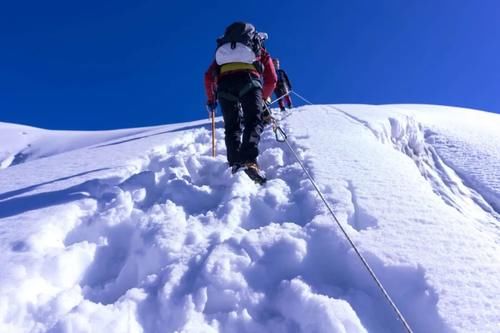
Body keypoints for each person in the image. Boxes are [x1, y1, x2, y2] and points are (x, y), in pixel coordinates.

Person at [204, 22, 277, 182]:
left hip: (224, 86)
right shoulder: (260, 50)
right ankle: (249, 161)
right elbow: (272, 79)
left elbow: (208, 76)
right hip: (249, 81)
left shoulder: (223, 53)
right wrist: (263, 98)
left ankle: (235, 164)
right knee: (253, 120)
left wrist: (211, 99)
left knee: (232, 127)